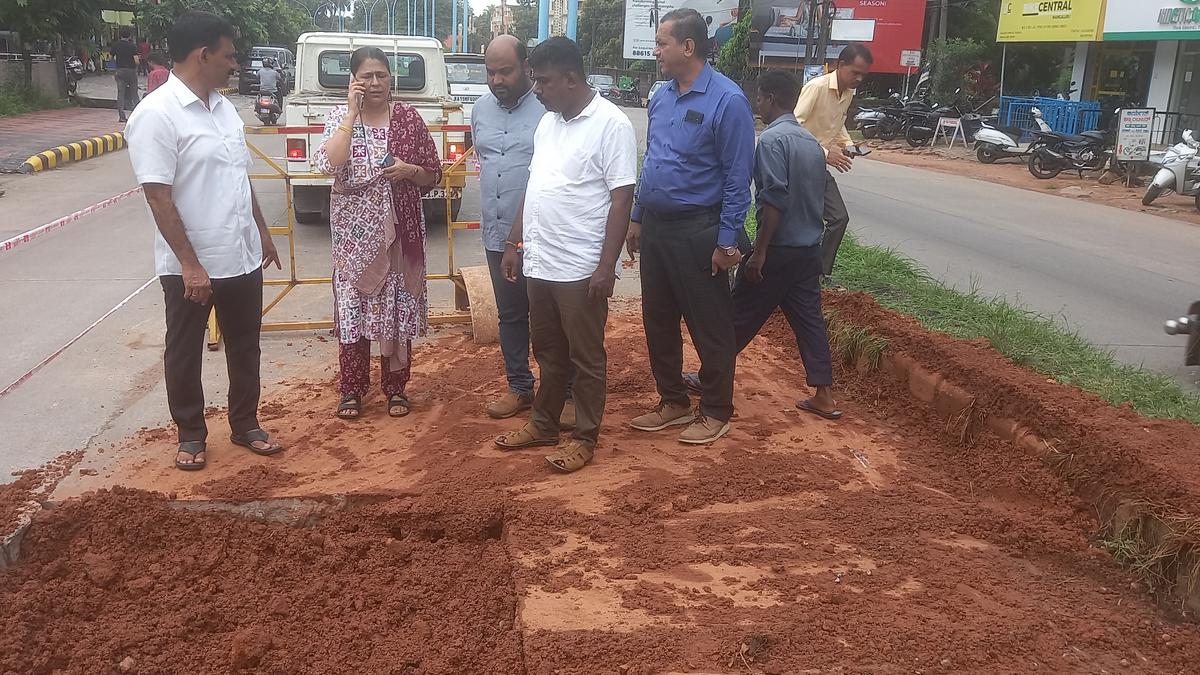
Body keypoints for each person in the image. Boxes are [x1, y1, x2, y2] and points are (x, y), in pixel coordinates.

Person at [125, 11, 285, 471]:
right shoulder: (156, 116)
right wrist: (191, 265)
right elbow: (158, 198)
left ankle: (245, 423)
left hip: (242, 256)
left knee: (245, 344)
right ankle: (192, 434)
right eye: (229, 56)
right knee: (184, 350)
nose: (235, 65)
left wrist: (262, 232)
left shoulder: (225, 110)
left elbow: (239, 178)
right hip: (191, 267)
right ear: (203, 55)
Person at [493, 37, 637, 474]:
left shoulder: (612, 125)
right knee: (549, 352)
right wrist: (516, 243)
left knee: (586, 358)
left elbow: (621, 199)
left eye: (543, 80)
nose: (536, 88)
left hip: (581, 268)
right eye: (535, 79)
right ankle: (543, 423)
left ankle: (585, 437)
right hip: (541, 262)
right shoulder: (548, 124)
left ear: (571, 78)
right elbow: (534, 188)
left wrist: (606, 266)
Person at [626, 8, 754, 445]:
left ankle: (716, 409)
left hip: (701, 230)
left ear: (688, 46)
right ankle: (674, 402)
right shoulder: (661, 96)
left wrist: (725, 242)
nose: (656, 51)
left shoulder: (728, 100)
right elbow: (652, 160)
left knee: (709, 325)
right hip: (658, 228)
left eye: (662, 43)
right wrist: (637, 216)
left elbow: (738, 179)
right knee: (657, 319)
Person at [315, 47, 443, 420]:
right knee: (354, 311)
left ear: (391, 79)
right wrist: (352, 115)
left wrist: (408, 171)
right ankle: (352, 390)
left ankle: (395, 389)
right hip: (354, 238)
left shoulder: (407, 118)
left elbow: (432, 173)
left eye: (381, 75)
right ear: (353, 80)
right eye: (366, 76)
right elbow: (327, 164)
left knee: (395, 311)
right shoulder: (340, 117)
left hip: (400, 232)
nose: (375, 83)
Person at [472, 35, 577, 425]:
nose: (497, 79)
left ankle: (564, 393)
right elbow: (484, 164)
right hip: (496, 233)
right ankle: (519, 386)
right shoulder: (480, 110)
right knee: (510, 315)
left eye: (506, 71)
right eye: (490, 72)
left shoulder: (549, 111)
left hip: (540, 236)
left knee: (550, 318)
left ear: (526, 67)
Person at [739, 71, 841, 418]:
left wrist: (760, 253)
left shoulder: (771, 141)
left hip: (778, 251)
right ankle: (824, 395)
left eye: (759, 98)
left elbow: (774, 200)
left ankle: (710, 378)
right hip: (807, 252)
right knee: (810, 322)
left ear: (769, 98)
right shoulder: (812, 144)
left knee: (736, 315)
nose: (757, 105)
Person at [794, 43, 872, 277]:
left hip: (818, 167)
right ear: (840, 65)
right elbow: (794, 127)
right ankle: (756, 266)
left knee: (839, 218)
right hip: (798, 165)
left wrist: (849, 146)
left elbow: (838, 126)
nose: (858, 78)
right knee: (789, 224)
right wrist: (827, 154)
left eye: (863, 75)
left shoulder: (847, 93)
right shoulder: (816, 87)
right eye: (855, 72)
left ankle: (818, 273)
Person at [110, 27, 140, 122]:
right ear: (129, 36)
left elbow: (110, 58)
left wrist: (118, 63)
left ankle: (122, 116)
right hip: (131, 71)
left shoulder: (115, 45)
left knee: (120, 94)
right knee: (134, 93)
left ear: (120, 35)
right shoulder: (132, 46)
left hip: (120, 71)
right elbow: (136, 61)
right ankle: (137, 115)